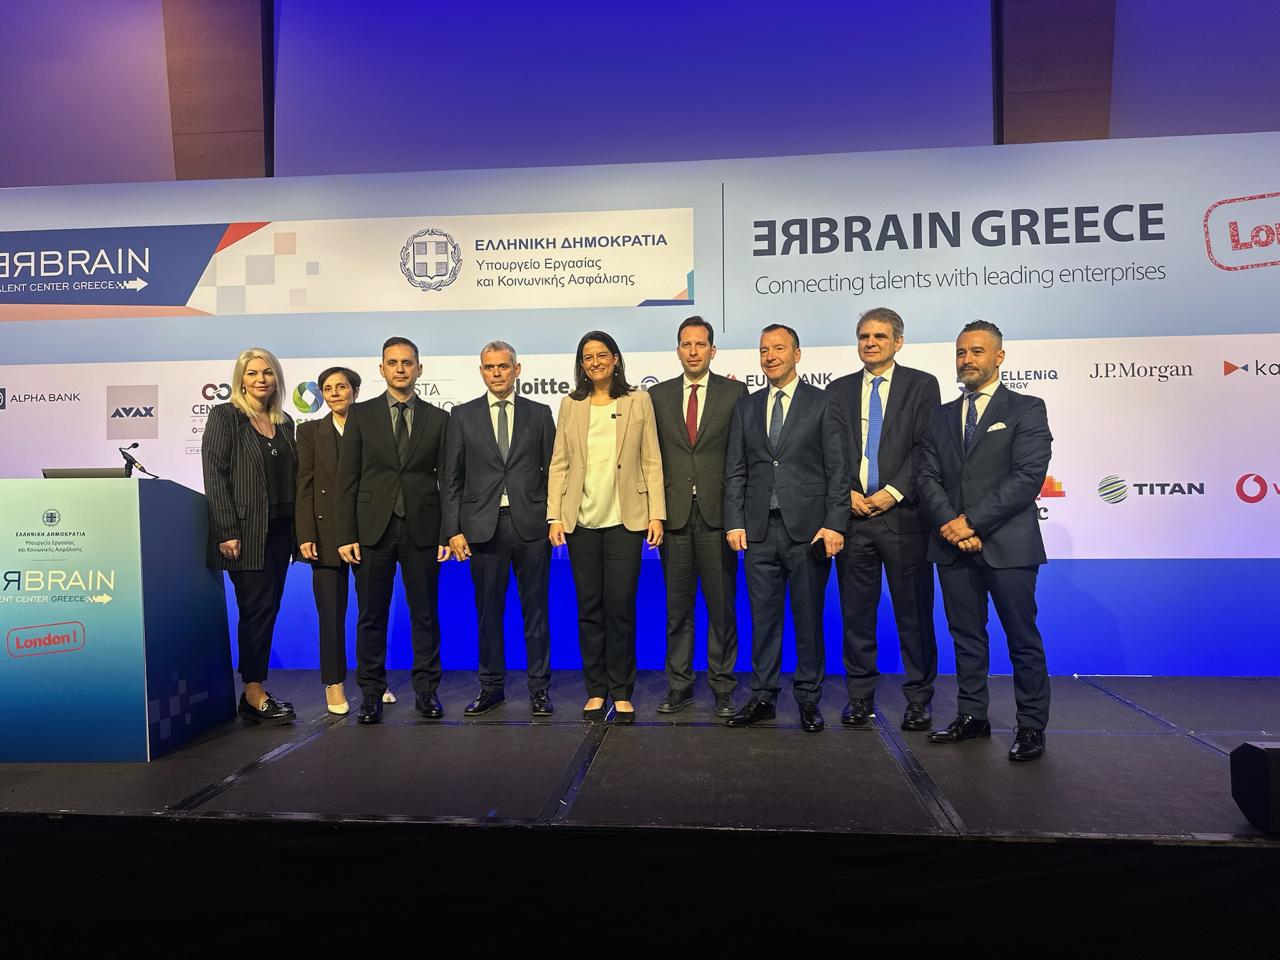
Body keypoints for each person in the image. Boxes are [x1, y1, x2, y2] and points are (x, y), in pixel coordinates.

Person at [916, 320, 1052, 761]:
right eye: (961, 352)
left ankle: (1031, 726)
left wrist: (972, 523)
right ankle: (972, 716)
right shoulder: (940, 415)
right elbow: (927, 476)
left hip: (1008, 546)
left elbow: (1026, 478)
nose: (967, 360)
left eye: (976, 351)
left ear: (999, 357)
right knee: (965, 636)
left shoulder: (1027, 409)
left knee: (1021, 639)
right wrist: (952, 525)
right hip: (951, 545)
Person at [724, 324, 849, 733]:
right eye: (764, 350)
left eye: (779, 348)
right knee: (763, 621)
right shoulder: (746, 407)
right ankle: (762, 697)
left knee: (808, 620)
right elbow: (736, 469)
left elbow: (838, 470)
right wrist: (734, 520)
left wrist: (834, 523)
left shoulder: (823, 402)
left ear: (797, 354)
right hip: (758, 531)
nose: (770, 356)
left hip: (808, 533)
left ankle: (808, 699)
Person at [827, 308, 941, 731]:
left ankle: (919, 699)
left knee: (914, 615)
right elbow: (831, 451)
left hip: (904, 518)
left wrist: (891, 492)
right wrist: (847, 494)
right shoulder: (838, 390)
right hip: (854, 518)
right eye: (864, 336)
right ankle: (859, 697)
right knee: (856, 615)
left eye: (879, 336)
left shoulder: (922, 385)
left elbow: (926, 448)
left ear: (898, 342)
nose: (870, 343)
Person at [547, 330, 665, 723]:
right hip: (581, 522)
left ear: (615, 359)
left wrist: (656, 513)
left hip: (625, 521)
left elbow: (651, 459)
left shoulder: (638, 400)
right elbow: (560, 463)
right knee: (589, 607)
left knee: (620, 607)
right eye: (588, 357)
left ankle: (622, 690)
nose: (595, 362)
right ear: (581, 365)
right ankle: (596, 690)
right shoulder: (570, 404)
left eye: (602, 355)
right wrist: (554, 515)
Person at [336, 337, 450, 725]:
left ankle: (427, 692)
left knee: (425, 615)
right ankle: (370, 694)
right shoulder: (360, 414)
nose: (400, 369)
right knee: (371, 615)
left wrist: (446, 533)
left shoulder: (439, 419)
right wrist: (346, 534)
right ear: (382, 369)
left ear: (419, 369)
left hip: (423, 529)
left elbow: (447, 481)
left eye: (407, 362)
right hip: (372, 530)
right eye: (393, 362)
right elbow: (347, 479)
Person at [442, 341, 557, 718]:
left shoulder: (540, 413)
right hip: (481, 528)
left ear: (516, 370)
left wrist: (553, 517)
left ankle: (539, 689)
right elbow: (452, 478)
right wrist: (453, 529)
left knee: (536, 610)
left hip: (531, 526)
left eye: (503, 366)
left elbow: (554, 471)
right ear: (481, 372)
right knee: (488, 612)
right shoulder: (462, 415)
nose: (496, 373)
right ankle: (491, 688)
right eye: (489, 367)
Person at [648, 316, 747, 718]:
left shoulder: (735, 392)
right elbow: (650, 458)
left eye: (700, 344)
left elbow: (741, 455)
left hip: (718, 516)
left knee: (722, 607)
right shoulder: (657, 396)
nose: (693, 351)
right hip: (673, 517)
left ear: (712, 350)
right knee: (678, 608)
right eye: (686, 344)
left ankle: (723, 686)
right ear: (678, 350)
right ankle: (680, 685)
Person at [202, 347, 298, 724]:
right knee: (256, 609)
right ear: (241, 379)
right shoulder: (226, 416)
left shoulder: (285, 422)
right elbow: (214, 474)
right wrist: (226, 529)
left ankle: (253, 690)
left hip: (280, 531)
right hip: (244, 533)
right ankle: (254, 691)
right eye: (253, 373)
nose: (261, 379)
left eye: (268, 372)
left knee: (268, 608)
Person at [296, 366, 362, 716]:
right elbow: (304, 483)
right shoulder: (309, 431)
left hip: (366, 532)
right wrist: (305, 532)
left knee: (372, 613)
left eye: (342, 386)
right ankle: (334, 683)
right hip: (324, 534)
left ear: (355, 391)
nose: (335, 393)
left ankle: (373, 681)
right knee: (332, 614)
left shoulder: (370, 425)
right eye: (327, 388)